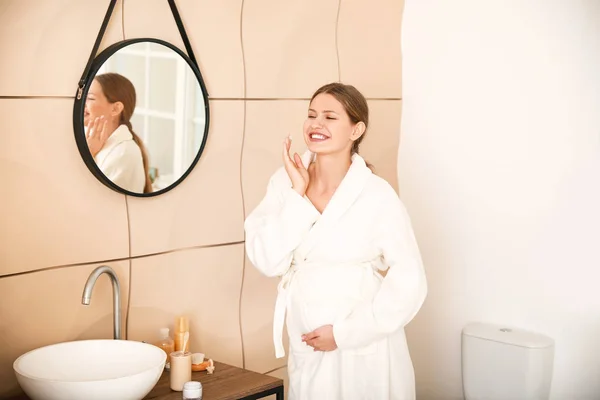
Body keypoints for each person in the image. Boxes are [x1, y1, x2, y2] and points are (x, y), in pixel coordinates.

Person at [244, 82, 428, 399]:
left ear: (356, 130)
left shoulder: (376, 194)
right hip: (308, 335)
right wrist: (296, 195)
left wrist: (345, 334)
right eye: (312, 114)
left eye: (330, 117)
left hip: (364, 340)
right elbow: (267, 260)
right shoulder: (285, 181)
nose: (316, 124)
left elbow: (411, 280)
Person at [84, 72, 152, 193]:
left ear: (115, 109)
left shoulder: (123, 154)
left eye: (90, 98)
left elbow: (89, 200)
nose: (82, 103)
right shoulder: (93, 143)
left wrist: (88, 155)